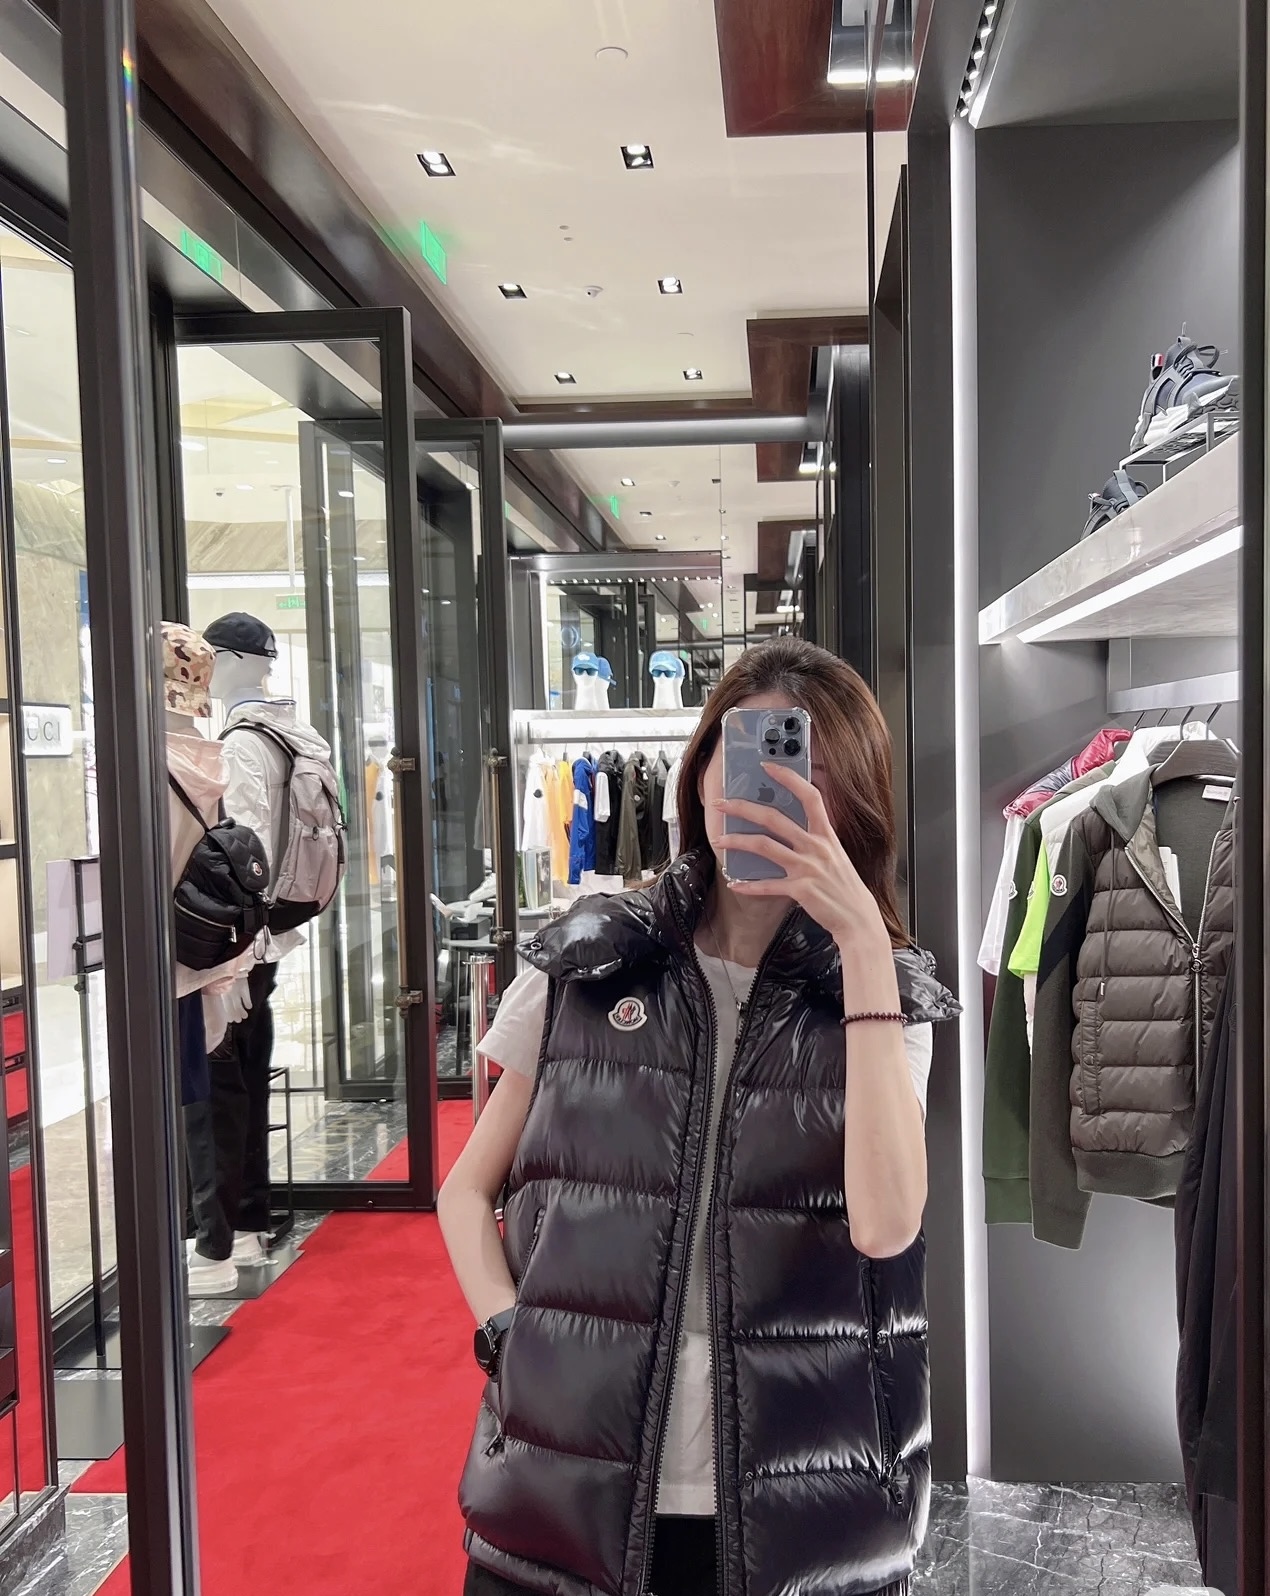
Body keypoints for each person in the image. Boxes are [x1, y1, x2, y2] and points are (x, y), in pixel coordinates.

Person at [438, 638, 959, 1596]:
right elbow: (466, 1190)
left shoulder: (885, 1001)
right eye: (745, 756)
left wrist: (863, 947)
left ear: (851, 805)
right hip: (566, 1489)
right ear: (703, 771)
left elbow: (887, 1227)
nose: (767, 794)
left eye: (803, 771)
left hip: (803, 1507)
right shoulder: (591, 962)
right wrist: (514, 1337)